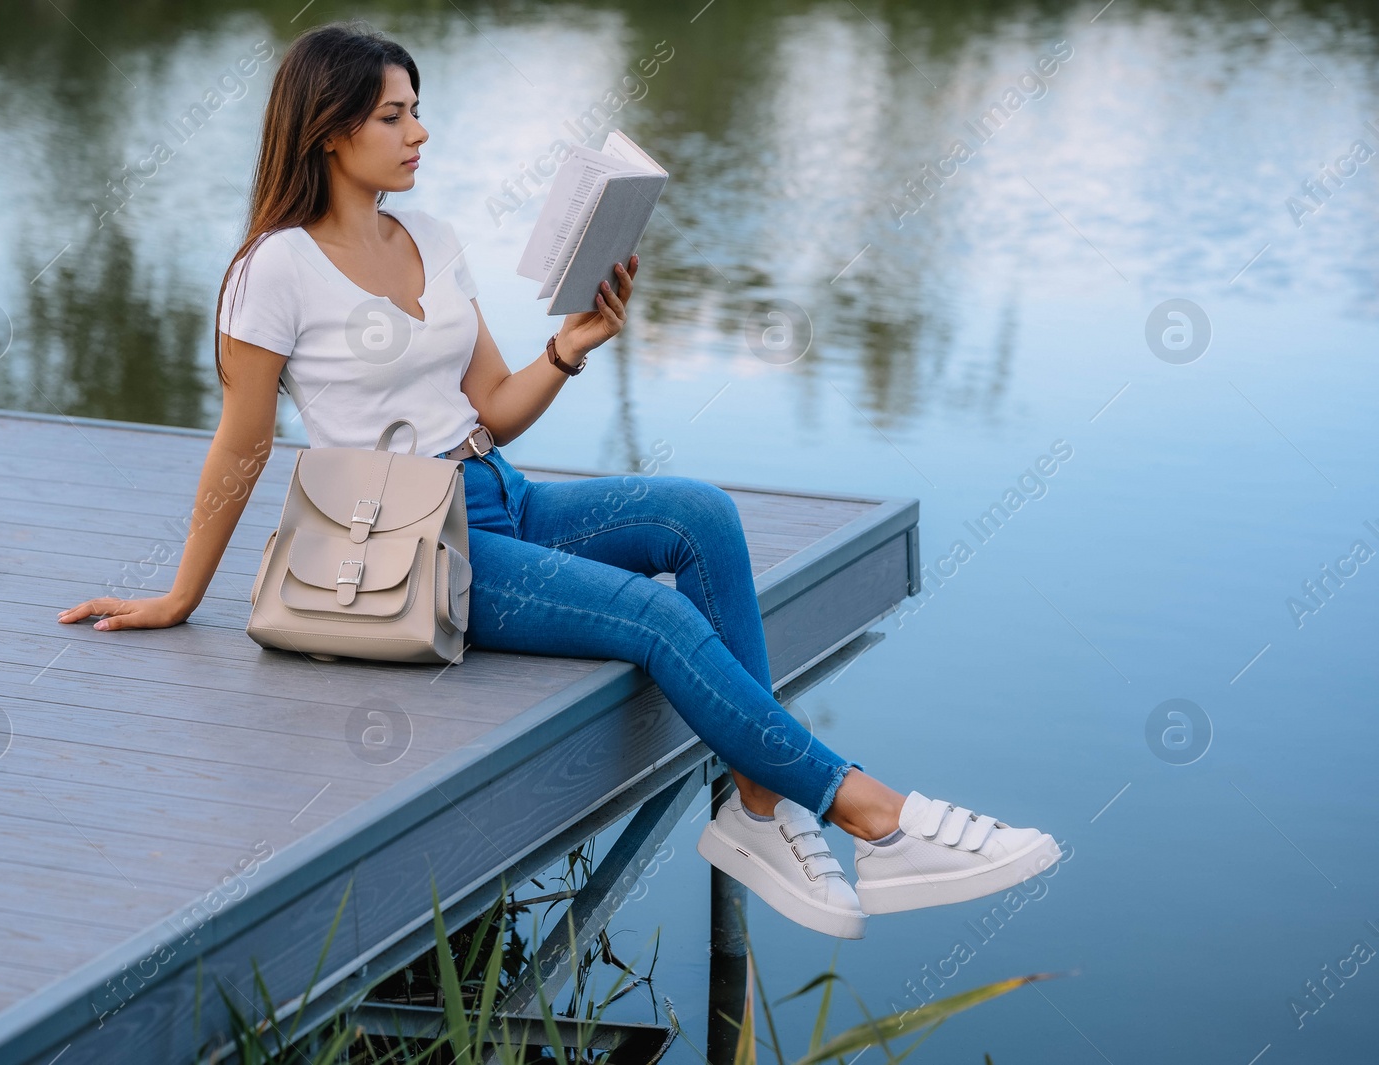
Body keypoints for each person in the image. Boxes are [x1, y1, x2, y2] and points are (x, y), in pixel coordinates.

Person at [57, 21, 1061, 939]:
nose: (419, 133)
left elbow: (490, 403)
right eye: (394, 115)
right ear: (328, 132)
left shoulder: (430, 239)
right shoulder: (273, 269)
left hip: (500, 493)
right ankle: (868, 811)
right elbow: (239, 445)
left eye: (418, 111)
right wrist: (183, 595)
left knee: (697, 516)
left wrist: (571, 346)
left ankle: (757, 809)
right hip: (411, 547)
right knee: (657, 620)